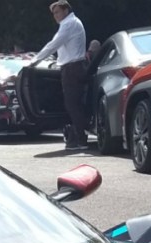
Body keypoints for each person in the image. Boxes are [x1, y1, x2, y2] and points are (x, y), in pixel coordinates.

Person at [32, 1, 88, 149]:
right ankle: (77, 136)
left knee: (72, 104)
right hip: (73, 67)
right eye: (54, 13)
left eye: (57, 12)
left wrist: (34, 61)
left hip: (72, 68)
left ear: (66, 10)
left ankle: (81, 139)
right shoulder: (71, 23)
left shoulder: (68, 24)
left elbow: (53, 44)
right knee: (73, 104)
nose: (55, 16)